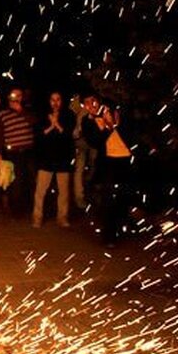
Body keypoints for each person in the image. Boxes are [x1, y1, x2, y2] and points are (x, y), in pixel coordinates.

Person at [80, 94, 133, 247]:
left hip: (125, 160)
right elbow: (95, 142)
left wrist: (115, 122)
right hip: (108, 163)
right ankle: (109, 236)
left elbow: (129, 133)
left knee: (124, 196)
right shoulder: (87, 122)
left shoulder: (114, 112)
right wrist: (109, 127)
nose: (91, 105)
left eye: (93, 101)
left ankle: (122, 227)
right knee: (108, 200)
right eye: (87, 103)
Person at [32, 91, 75, 228]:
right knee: (40, 191)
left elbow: (68, 134)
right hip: (46, 158)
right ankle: (37, 217)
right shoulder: (42, 116)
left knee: (63, 192)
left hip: (63, 158)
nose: (55, 103)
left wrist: (57, 124)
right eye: (52, 100)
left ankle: (62, 218)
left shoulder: (69, 115)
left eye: (58, 99)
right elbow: (39, 135)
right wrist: (51, 126)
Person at [0, 87, 35, 217]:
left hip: (28, 151)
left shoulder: (28, 110)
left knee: (30, 179)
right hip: (13, 152)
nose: (17, 98)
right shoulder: (3, 114)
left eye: (19, 95)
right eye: (14, 95)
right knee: (16, 181)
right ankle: (16, 210)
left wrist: (21, 110)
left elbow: (34, 123)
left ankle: (30, 207)